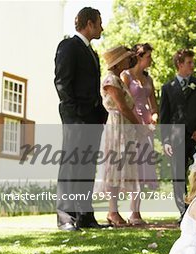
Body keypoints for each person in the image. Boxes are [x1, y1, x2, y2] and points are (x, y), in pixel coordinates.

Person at [54, 7, 108, 231]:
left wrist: (99, 113)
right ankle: (66, 216)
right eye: (99, 23)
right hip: (76, 118)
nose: (102, 28)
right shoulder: (69, 46)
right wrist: (76, 113)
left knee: (87, 167)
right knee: (71, 166)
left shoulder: (91, 52)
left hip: (93, 119)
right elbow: (62, 83)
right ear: (89, 24)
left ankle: (85, 215)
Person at [99, 45, 149, 227]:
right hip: (116, 127)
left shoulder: (119, 79)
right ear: (119, 61)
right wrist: (139, 125)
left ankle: (116, 211)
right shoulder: (111, 80)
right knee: (115, 169)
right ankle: (112, 211)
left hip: (124, 127)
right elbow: (122, 106)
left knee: (123, 169)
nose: (129, 61)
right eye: (127, 58)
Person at [160, 49, 196, 222]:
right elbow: (165, 117)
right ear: (179, 64)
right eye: (189, 62)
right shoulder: (167, 88)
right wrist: (166, 140)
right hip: (177, 139)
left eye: (192, 62)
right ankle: (184, 213)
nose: (193, 65)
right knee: (178, 175)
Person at [121, 43, 159, 225]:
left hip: (147, 127)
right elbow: (124, 102)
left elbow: (154, 104)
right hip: (132, 124)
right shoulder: (126, 76)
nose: (151, 59)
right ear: (139, 56)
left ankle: (136, 211)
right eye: (148, 56)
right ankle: (129, 211)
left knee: (143, 168)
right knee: (132, 167)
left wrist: (154, 119)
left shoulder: (148, 79)